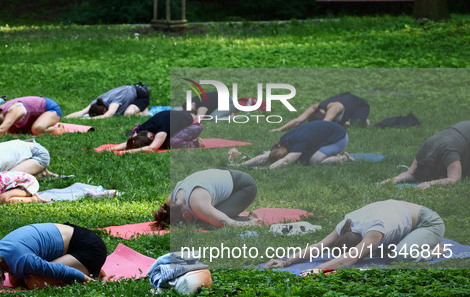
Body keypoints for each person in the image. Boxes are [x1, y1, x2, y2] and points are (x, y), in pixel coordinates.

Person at [264, 200, 445, 275]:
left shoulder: (374, 231)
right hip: (398, 218)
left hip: (427, 222)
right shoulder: (346, 225)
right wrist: (286, 261)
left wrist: (318, 270)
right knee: (385, 253)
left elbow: (351, 257)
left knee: (399, 257)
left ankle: (435, 250)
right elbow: (319, 246)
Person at [0, 223, 111, 291]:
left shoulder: (23, 260)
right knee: (16, 281)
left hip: (89, 248)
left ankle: (93, 275)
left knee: (33, 282)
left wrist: (91, 285)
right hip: (71, 241)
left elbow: (60, 271)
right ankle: (90, 269)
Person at [152, 169, 263, 229]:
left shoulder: (198, 203)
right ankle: (245, 217)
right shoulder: (173, 199)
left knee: (206, 222)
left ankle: (250, 219)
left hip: (244, 187)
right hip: (229, 176)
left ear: (185, 215)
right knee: (205, 218)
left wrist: (251, 224)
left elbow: (225, 223)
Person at [381, 121, 470, 189]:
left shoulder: (449, 152)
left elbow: (455, 179)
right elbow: (411, 173)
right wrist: (395, 179)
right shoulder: (425, 148)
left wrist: (430, 184)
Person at [239, 121, 353, 169]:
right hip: (324, 133)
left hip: (338, 137)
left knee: (314, 160)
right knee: (306, 158)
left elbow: (286, 161)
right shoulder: (283, 142)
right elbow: (265, 157)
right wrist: (241, 165)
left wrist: (267, 169)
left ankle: (343, 157)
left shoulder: (298, 144)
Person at [107, 110, 205, 154]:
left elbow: (152, 148)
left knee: (171, 142)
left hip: (194, 124)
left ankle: (197, 143)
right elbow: (132, 140)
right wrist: (111, 149)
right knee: (164, 143)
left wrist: (128, 152)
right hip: (181, 120)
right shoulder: (143, 129)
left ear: (151, 138)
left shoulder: (161, 131)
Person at [0, 96, 65, 137]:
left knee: (37, 129)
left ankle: (56, 129)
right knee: (13, 133)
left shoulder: (13, 112)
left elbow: (2, 129)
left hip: (50, 109)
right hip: (33, 114)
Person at [271, 92, 370, 132]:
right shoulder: (315, 107)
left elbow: (323, 126)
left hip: (360, 105)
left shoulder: (334, 109)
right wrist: (280, 129)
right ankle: (344, 122)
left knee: (357, 125)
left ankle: (366, 121)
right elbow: (298, 120)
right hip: (344, 98)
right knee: (341, 124)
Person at [65, 83, 151, 119]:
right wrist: (65, 118)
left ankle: (144, 111)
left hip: (140, 96)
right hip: (128, 93)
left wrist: (87, 120)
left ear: (104, 110)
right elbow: (82, 112)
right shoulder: (96, 102)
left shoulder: (114, 102)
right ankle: (129, 105)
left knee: (127, 114)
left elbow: (108, 115)